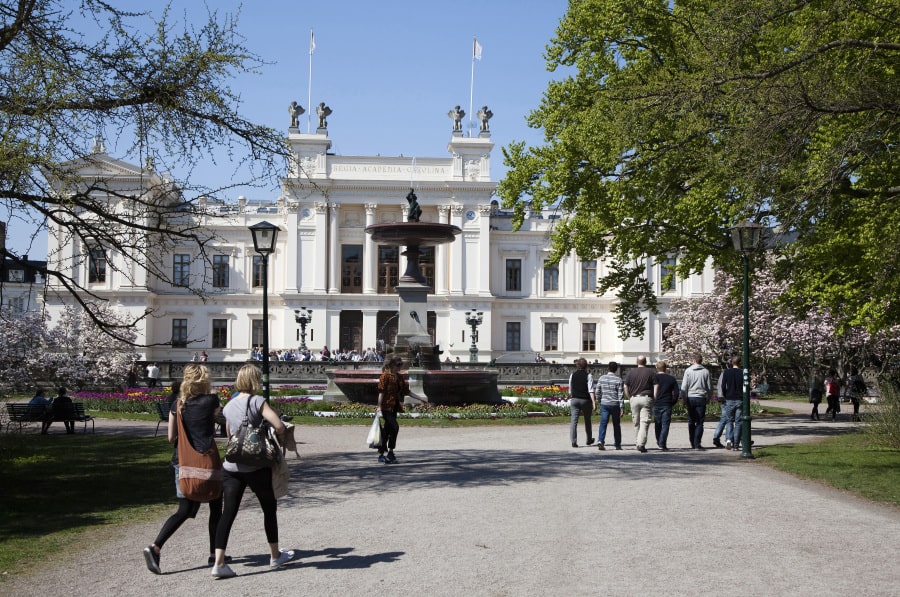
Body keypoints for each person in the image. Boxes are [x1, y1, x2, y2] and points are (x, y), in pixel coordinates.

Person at [212, 364, 294, 578]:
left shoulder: (229, 405)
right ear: (254, 381)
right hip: (256, 465)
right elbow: (279, 424)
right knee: (269, 508)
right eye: (258, 379)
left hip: (232, 466)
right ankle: (275, 555)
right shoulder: (258, 401)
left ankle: (219, 562)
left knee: (228, 512)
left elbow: (230, 434)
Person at [143, 364, 226, 575]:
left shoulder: (178, 404)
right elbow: (222, 422)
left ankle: (156, 547)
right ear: (204, 381)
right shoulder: (211, 401)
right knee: (216, 507)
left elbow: (171, 437)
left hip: (182, 461)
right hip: (206, 460)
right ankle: (213, 554)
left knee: (185, 510)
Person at [376, 356, 425, 464]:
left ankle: (387, 453)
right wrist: (379, 407)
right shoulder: (385, 376)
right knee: (395, 427)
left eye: (400, 366)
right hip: (385, 407)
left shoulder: (399, 377)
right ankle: (387, 452)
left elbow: (407, 392)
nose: (399, 367)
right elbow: (381, 393)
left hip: (394, 407)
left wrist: (421, 398)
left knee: (388, 430)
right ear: (392, 365)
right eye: (398, 365)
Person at [624, 355, 657, 453]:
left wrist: (629, 397)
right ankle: (641, 444)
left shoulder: (631, 372)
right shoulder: (651, 372)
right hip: (646, 398)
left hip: (634, 398)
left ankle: (637, 442)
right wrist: (654, 397)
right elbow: (656, 385)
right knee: (644, 422)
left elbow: (625, 386)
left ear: (636, 362)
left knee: (636, 422)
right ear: (645, 362)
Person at [681, 353, 712, 449]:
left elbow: (684, 386)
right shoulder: (706, 372)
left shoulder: (688, 371)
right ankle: (697, 442)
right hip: (701, 397)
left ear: (694, 360)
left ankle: (692, 442)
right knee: (699, 422)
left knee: (691, 421)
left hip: (691, 397)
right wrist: (708, 398)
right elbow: (709, 387)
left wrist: (684, 398)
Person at [595, 361, 624, 450]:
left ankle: (601, 440)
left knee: (603, 423)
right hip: (615, 404)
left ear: (608, 368)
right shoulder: (619, 379)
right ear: (616, 369)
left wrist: (599, 400)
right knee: (616, 424)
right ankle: (618, 444)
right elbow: (620, 395)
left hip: (605, 403)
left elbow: (597, 391)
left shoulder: (602, 378)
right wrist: (622, 407)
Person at [717, 356, 744, 451]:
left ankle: (728, 440)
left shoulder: (726, 372)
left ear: (732, 363)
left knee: (729, 421)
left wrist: (725, 395)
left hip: (729, 398)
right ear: (740, 363)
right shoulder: (742, 373)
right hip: (740, 399)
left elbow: (723, 385)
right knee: (738, 422)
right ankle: (736, 445)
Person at [568, 358, 595, 447]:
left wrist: (573, 395)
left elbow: (570, 389)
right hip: (585, 400)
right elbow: (591, 390)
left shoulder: (573, 375)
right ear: (586, 366)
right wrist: (594, 402)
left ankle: (573, 441)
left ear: (577, 365)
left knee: (574, 421)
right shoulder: (588, 376)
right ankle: (589, 439)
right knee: (587, 420)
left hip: (575, 399)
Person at [652, 361, 679, 451]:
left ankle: (659, 440)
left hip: (656, 403)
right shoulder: (671, 379)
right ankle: (662, 443)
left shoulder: (653, 378)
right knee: (665, 425)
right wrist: (673, 402)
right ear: (665, 368)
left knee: (657, 424)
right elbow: (676, 393)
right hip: (667, 403)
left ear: (657, 368)